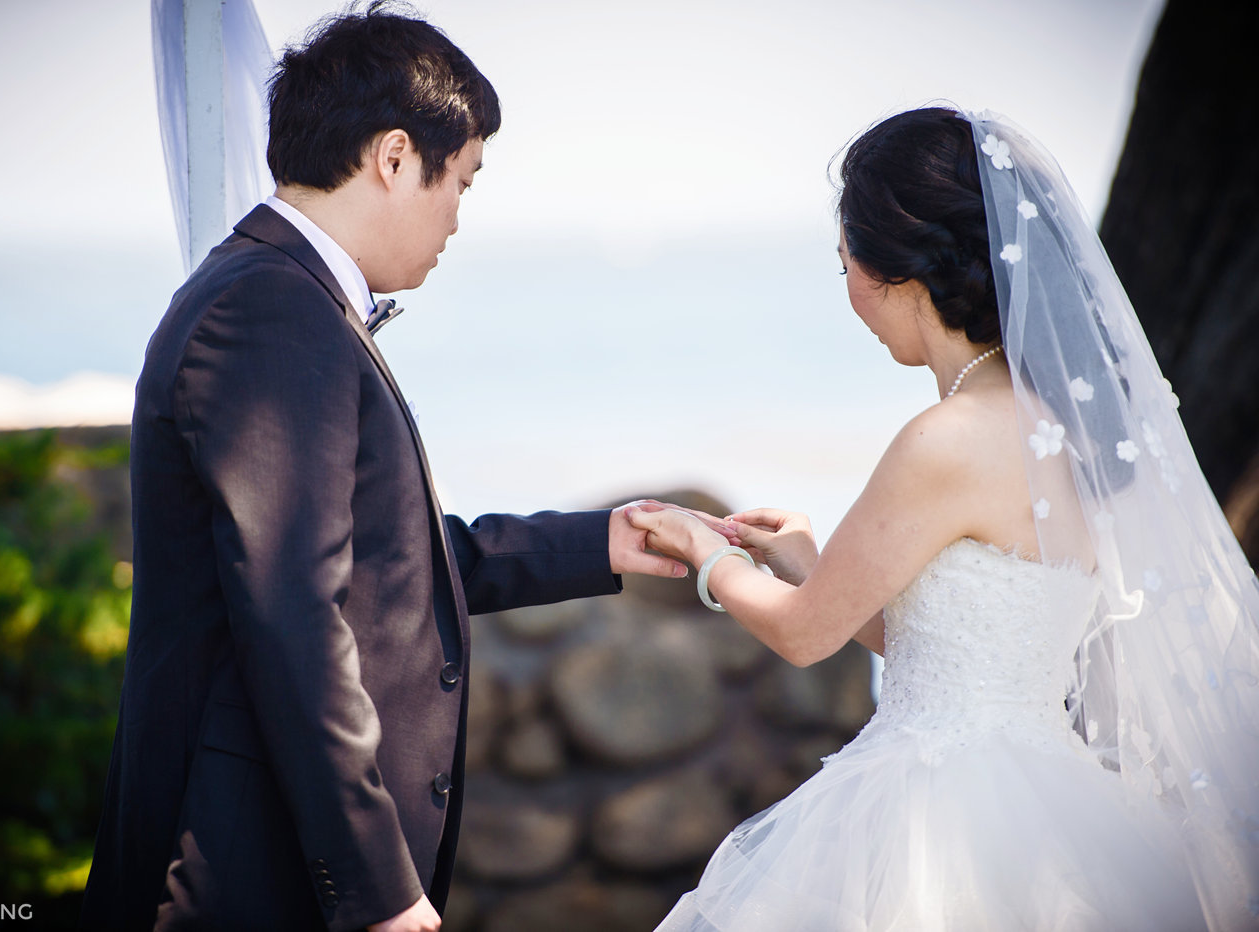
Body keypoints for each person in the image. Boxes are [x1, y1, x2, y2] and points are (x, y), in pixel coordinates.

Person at [79, 5, 691, 931]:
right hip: (245, 868)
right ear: (395, 157)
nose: (457, 216)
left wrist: (599, 541)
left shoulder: (282, 296)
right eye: (464, 181)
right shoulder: (271, 312)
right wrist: (375, 884)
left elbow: (385, 562)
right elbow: (293, 612)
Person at [631, 107, 1259, 930]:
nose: (848, 288)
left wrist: (702, 552)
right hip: (1057, 810)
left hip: (932, 813)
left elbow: (803, 637)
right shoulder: (1070, 431)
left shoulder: (944, 440)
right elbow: (949, 645)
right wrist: (808, 560)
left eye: (844, 261)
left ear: (898, 270)